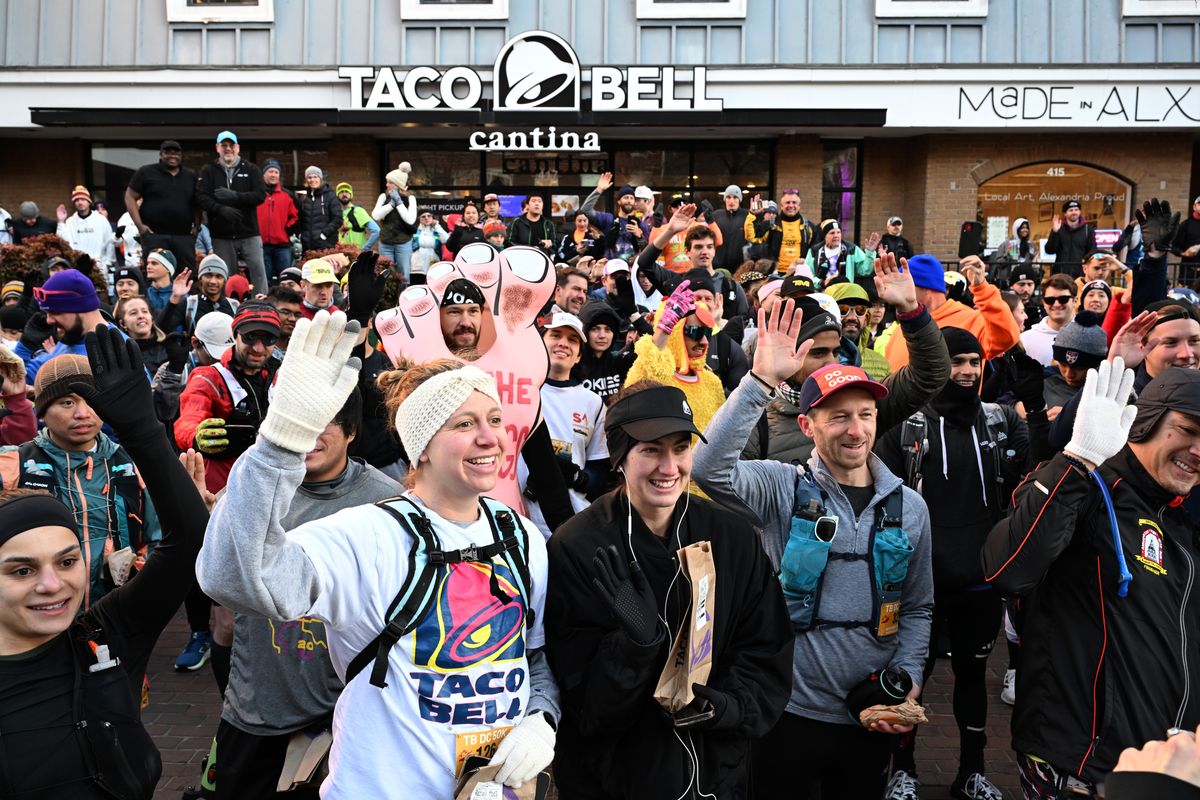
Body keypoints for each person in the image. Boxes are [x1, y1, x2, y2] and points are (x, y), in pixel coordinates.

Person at [198, 312, 559, 797]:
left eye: (495, 420)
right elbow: (234, 578)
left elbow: (533, 655)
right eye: (465, 423)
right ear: (421, 447)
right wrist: (281, 441)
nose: (490, 437)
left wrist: (541, 717)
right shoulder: (367, 534)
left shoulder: (519, 535)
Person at [691, 300, 934, 798]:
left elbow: (917, 606)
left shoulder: (911, 507)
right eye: (838, 416)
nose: (855, 430)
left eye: (865, 415)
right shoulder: (781, 487)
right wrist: (759, 381)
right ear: (807, 426)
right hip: (786, 711)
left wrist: (908, 676)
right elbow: (707, 469)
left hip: (869, 715)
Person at [544, 380, 793, 799]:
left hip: (716, 775)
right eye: (650, 450)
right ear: (620, 457)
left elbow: (766, 646)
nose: (669, 467)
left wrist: (727, 706)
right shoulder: (577, 547)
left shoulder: (733, 537)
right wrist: (634, 648)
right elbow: (583, 707)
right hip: (617, 783)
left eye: (681, 448)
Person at [0, 326, 209, 800]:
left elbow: (180, 543)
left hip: (106, 615)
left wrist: (145, 433)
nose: (52, 583)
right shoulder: (14, 464)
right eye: (22, 569)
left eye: (67, 561)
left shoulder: (107, 636)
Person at [982, 363, 1200, 797]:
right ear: (1148, 421)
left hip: (1160, 767)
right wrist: (1077, 461)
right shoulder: (1086, 485)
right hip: (1080, 767)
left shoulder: (1179, 521)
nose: (1198, 450)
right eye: (1188, 430)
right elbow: (1007, 568)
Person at [876, 328, 1049, 800]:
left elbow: (1038, 469)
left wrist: (1035, 410)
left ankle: (972, 771)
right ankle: (903, 770)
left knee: (973, 679)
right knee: (910, 678)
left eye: (975, 361)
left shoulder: (998, 420)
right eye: (956, 362)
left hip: (980, 581)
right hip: (918, 586)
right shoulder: (906, 425)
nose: (968, 371)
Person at [200, 388, 396, 800]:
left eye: (324, 422)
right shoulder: (253, 489)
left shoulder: (387, 503)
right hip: (253, 713)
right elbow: (223, 618)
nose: (308, 435)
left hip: (340, 718)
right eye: (298, 422)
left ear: (351, 431)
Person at [743, 254, 949, 466]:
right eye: (817, 353)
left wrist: (911, 310)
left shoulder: (863, 400)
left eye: (835, 352)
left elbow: (929, 374)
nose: (831, 364)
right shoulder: (756, 422)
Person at [0, 352, 162, 605]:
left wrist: (138, 589)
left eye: (92, 400)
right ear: (42, 410)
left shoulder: (132, 465)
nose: (83, 413)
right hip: (37, 612)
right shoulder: (13, 465)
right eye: (67, 402)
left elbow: (156, 540)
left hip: (114, 614)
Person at [520, 312, 609, 538]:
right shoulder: (517, 391)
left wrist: (580, 478)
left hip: (568, 525)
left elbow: (599, 468)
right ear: (540, 342)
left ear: (579, 356)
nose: (563, 343)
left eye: (572, 339)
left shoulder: (593, 403)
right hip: (517, 519)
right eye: (555, 335)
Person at [884, 254, 1020, 370]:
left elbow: (1006, 338)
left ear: (924, 287)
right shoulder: (901, 330)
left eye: (903, 285)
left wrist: (982, 289)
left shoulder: (970, 320)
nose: (898, 293)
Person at [625, 280, 725, 434]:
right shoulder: (655, 377)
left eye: (707, 333)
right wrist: (664, 329)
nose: (704, 342)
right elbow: (636, 394)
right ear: (674, 334)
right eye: (696, 332)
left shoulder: (713, 383)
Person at [197, 130, 269, 296]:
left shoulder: (251, 169)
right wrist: (220, 209)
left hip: (249, 232)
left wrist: (236, 196)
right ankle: (228, 304)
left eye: (231, 145)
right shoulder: (209, 170)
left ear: (237, 148)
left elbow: (260, 195)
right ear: (217, 148)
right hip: (221, 234)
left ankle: (261, 304)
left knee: (258, 271)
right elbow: (202, 197)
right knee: (225, 275)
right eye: (224, 145)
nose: (228, 149)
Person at [125, 139, 200, 273]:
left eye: (176, 153)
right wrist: (140, 225)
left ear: (181, 156)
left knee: (186, 274)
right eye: (168, 152)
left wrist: (197, 225)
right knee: (156, 276)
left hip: (183, 237)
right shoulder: (146, 172)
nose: (173, 156)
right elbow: (130, 196)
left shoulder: (190, 175)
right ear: (161, 154)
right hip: (154, 236)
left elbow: (198, 202)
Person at [826, 281, 891, 381]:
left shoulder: (882, 364)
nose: (852, 317)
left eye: (860, 310)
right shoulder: (813, 360)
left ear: (866, 319)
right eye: (843, 310)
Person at [577, 300, 636, 404]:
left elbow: (654, 351)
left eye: (608, 329)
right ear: (584, 331)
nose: (602, 335)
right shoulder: (573, 367)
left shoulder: (619, 363)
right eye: (595, 329)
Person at [745, 189, 819, 269]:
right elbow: (752, 237)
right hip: (775, 272)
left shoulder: (808, 227)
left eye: (794, 202)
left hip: (799, 272)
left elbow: (814, 253)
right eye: (787, 202)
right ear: (781, 206)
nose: (791, 205)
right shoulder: (771, 225)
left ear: (799, 206)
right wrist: (753, 214)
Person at [57, 185, 116, 276]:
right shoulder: (70, 222)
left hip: (98, 267)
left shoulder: (101, 220)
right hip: (77, 267)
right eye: (77, 200)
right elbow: (64, 242)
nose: (80, 202)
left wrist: (107, 262)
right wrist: (61, 221)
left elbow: (110, 241)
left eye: (83, 199)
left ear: (89, 201)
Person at [372, 163, 418, 279]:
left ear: (398, 184)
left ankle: (404, 291)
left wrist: (399, 203)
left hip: (403, 242)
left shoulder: (410, 199)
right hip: (385, 242)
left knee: (403, 274)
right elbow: (375, 216)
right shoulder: (383, 197)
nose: (386, 185)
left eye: (390, 182)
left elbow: (410, 220)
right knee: (386, 274)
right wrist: (391, 205)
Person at [257, 159, 300, 281]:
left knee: (285, 279)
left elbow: (296, 216)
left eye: (276, 172)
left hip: (283, 246)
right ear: (263, 174)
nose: (273, 175)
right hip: (261, 245)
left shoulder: (288, 195)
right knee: (265, 280)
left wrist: (287, 230)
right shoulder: (256, 195)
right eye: (270, 172)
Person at [1020, 274, 1077, 366]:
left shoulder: (1088, 336)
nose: (1056, 304)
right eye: (1050, 300)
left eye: (1063, 299)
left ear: (1075, 301)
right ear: (1044, 303)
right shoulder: (1025, 340)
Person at [805, 219, 876, 287]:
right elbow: (807, 275)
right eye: (832, 233)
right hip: (821, 292)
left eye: (838, 232)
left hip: (844, 292)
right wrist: (821, 283)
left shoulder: (851, 249)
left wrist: (870, 253)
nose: (836, 235)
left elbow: (865, 271)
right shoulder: (814, 251)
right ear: (825, 236)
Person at [114, 295, 171, 374]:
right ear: (122, 323)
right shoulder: (118, 355)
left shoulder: (169, 347)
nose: (141, 316)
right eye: (133, 313)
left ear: (151, 317)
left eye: (145, 311)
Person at [1043, 199, 1096, 278]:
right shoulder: (1059, 228)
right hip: (1060, 274)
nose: (1074, 212)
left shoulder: (1088, 230)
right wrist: (1055, 232)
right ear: (1065, 213)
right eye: (1071, 210)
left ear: (1079, 212)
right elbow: (1049, 250)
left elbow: (1092, 252)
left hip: (1081, 275)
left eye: (1076, 210)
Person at [297, 166, 342, 254]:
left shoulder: (330, 196)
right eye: (309, 177)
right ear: (306, 180)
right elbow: (300, 220)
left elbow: (338, 219)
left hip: (326, 245)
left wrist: (324, 234)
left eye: (315, 177)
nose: (312, 180)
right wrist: (301, 235)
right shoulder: (304, 198)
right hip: (307, 246)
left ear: (320, 179)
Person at [187, 253, 240, 327]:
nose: (213, 281)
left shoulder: (234, 306)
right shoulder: (189, 304)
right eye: (208, 276)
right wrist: (174, 299)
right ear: (200, 278)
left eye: (219, 276)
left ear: (224, 281)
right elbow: (169, 328)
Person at [711, 184, 751, 270]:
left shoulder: (747, 215)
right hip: (718, 264)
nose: (731, 201)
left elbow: (755, 236)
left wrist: (758, 217)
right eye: (728, 197)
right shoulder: (716, 215)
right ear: (725, 199)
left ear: (739, 200)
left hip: (740, 266)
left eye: (735, 197)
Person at [335, 181, 379, 252]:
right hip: (341, 254)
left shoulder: (358, 211)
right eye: (341, 192)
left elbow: (376, 230)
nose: (344, 194)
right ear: (337, 195)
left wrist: (365, 248)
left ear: (351, 194)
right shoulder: (336, 213)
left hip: (357, 254)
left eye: (347, 191)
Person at [410, 209, 448, 282]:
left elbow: (446, 240)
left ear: (432, 218)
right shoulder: (414, 230)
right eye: (423, 216)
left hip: (433, 266)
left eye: (429, 216)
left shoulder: (436, 230)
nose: (426, 218)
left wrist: (437, 226)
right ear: (419, 219)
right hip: (416, 267)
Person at [266, 284, 304, 358]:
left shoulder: (301, 350)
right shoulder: (257, 350)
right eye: (285, 312)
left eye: (297, 315)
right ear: (270, 311)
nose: (292, 319)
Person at [1172, 195, 1200, 286]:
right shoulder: (1185, 225)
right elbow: (1173, 246)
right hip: (1188, 271)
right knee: (1183, 294)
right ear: (1194, 207)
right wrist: (1184, 254)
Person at [1009, 263, 1044, 330]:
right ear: (1012, 286)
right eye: (1021, 284)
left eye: (1030, 284)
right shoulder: (1004, 307)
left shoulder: (1039, 310)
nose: (1026, 289)